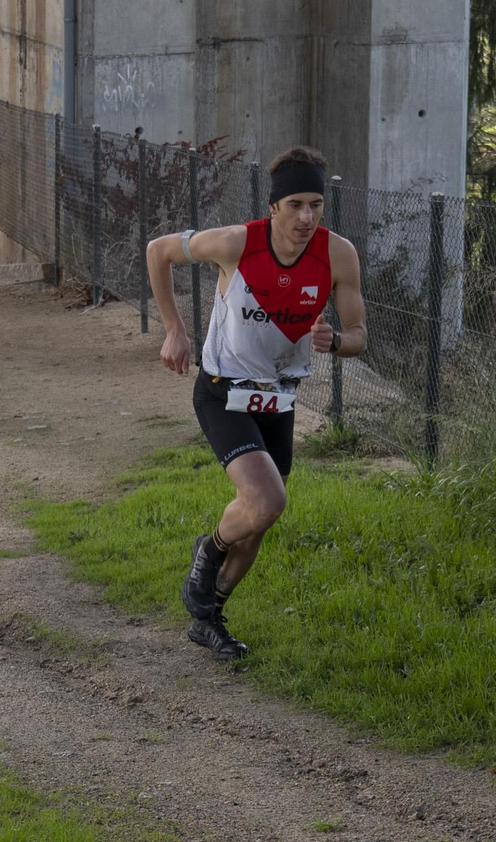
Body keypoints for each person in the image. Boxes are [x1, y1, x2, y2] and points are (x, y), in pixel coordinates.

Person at [146, 146, 367, 661]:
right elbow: (159, 251)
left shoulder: (338, 255)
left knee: (258, 518)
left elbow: (359, 335)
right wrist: (174, 330)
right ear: (273, 207)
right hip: (223, 391)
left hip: (279, 397)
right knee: (267, 500)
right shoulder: (236, 243)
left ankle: (208, 616)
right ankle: (208, 551)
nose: (306, 217)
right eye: (295, 205)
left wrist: (336, 340)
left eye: (315, 205)